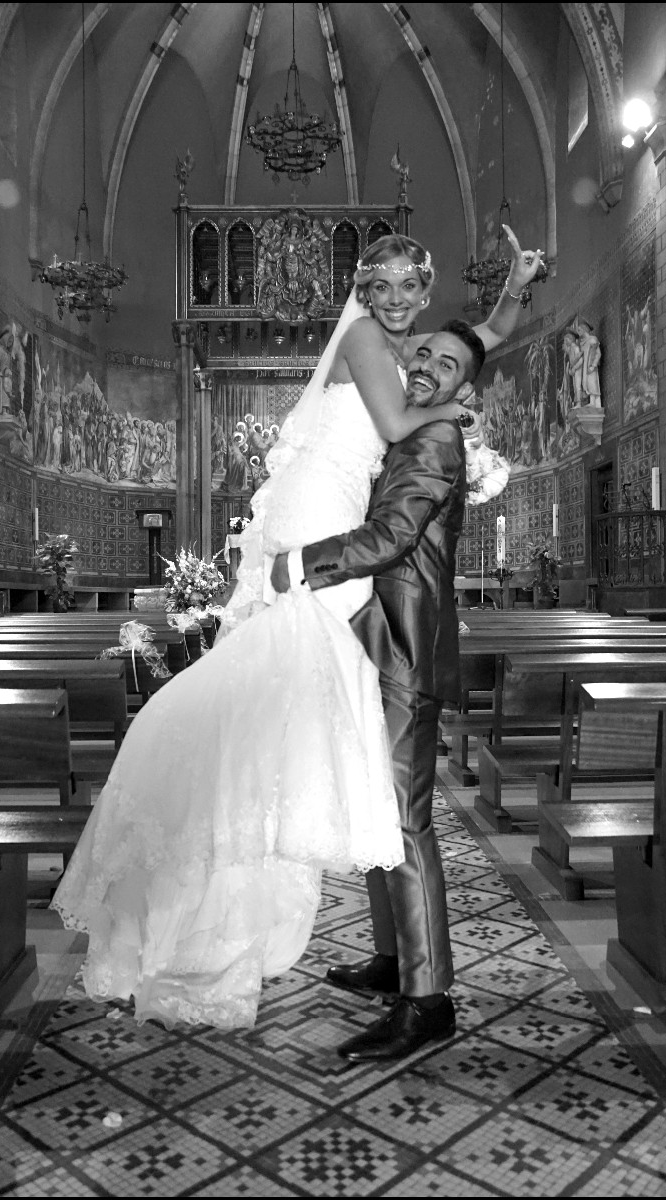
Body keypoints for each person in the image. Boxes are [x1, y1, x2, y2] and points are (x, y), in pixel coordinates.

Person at [50, 231, 542, 1032]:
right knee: (362, 778)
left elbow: (475, 343)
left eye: (408, 288)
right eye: (380, 286)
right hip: (328, 531)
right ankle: (391, 959)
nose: (394, 302)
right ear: (364, 293)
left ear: (424, 292)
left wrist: (512, 295)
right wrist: (453, 397)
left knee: (389, 800)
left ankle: (424, 993)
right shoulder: (380, 349)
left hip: (362, 581)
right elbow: (415, 401)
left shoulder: (420, 376)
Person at [271, 321, 488, 1062]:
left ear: (464, 387)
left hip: (405, 649)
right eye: (423, 354)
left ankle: (428, 1000)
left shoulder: (436, 440)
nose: (428, 367)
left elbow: (393, 535)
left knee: (406, 822)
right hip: (378, 638)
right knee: (374, 808)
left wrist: (299, 564)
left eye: (447, 365)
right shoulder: (409, 428)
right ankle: (394, 960)